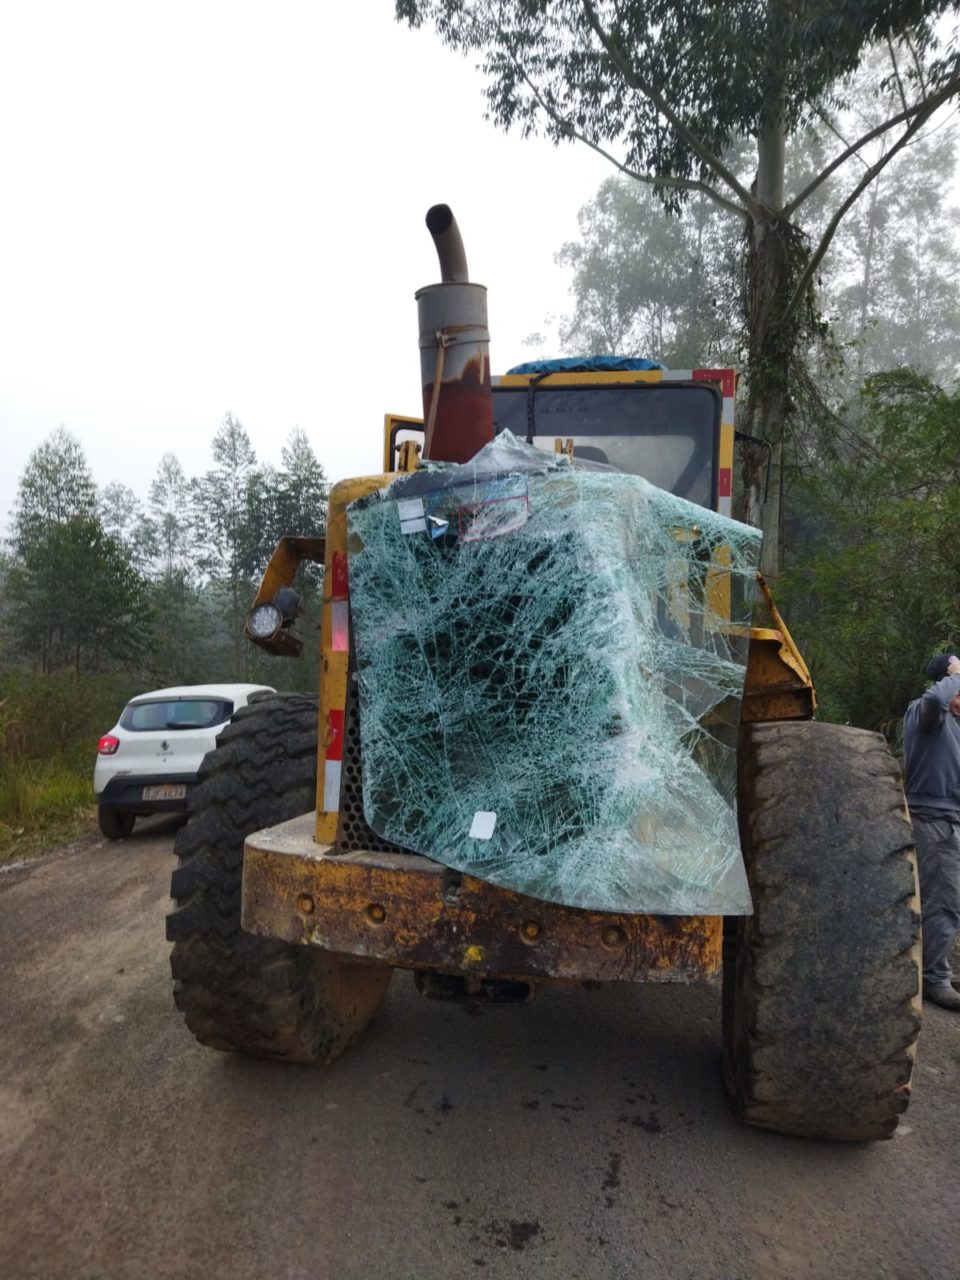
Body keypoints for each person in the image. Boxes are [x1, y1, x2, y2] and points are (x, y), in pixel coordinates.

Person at [903, 652, 960, 1010]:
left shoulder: (951, 721)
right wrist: (957, 671)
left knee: (945, 900)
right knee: (944, 902)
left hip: (947, 819)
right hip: (934, 822)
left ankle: (935, 969)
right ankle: (934, 978)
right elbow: (936, 698)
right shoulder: (927, 713)